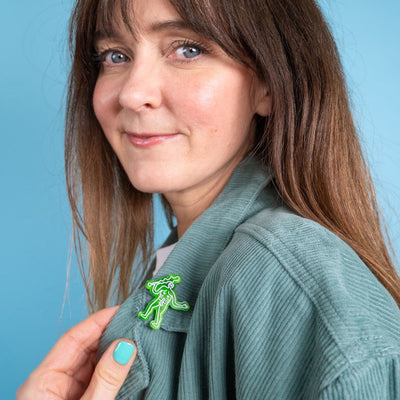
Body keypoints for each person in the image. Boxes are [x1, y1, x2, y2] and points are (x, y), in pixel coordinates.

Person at [19, 0, 400, 398]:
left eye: (188, 49)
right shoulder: (184, 269)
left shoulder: (280, 271)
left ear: (269, 83)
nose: (133, 93)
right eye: (116, 56)